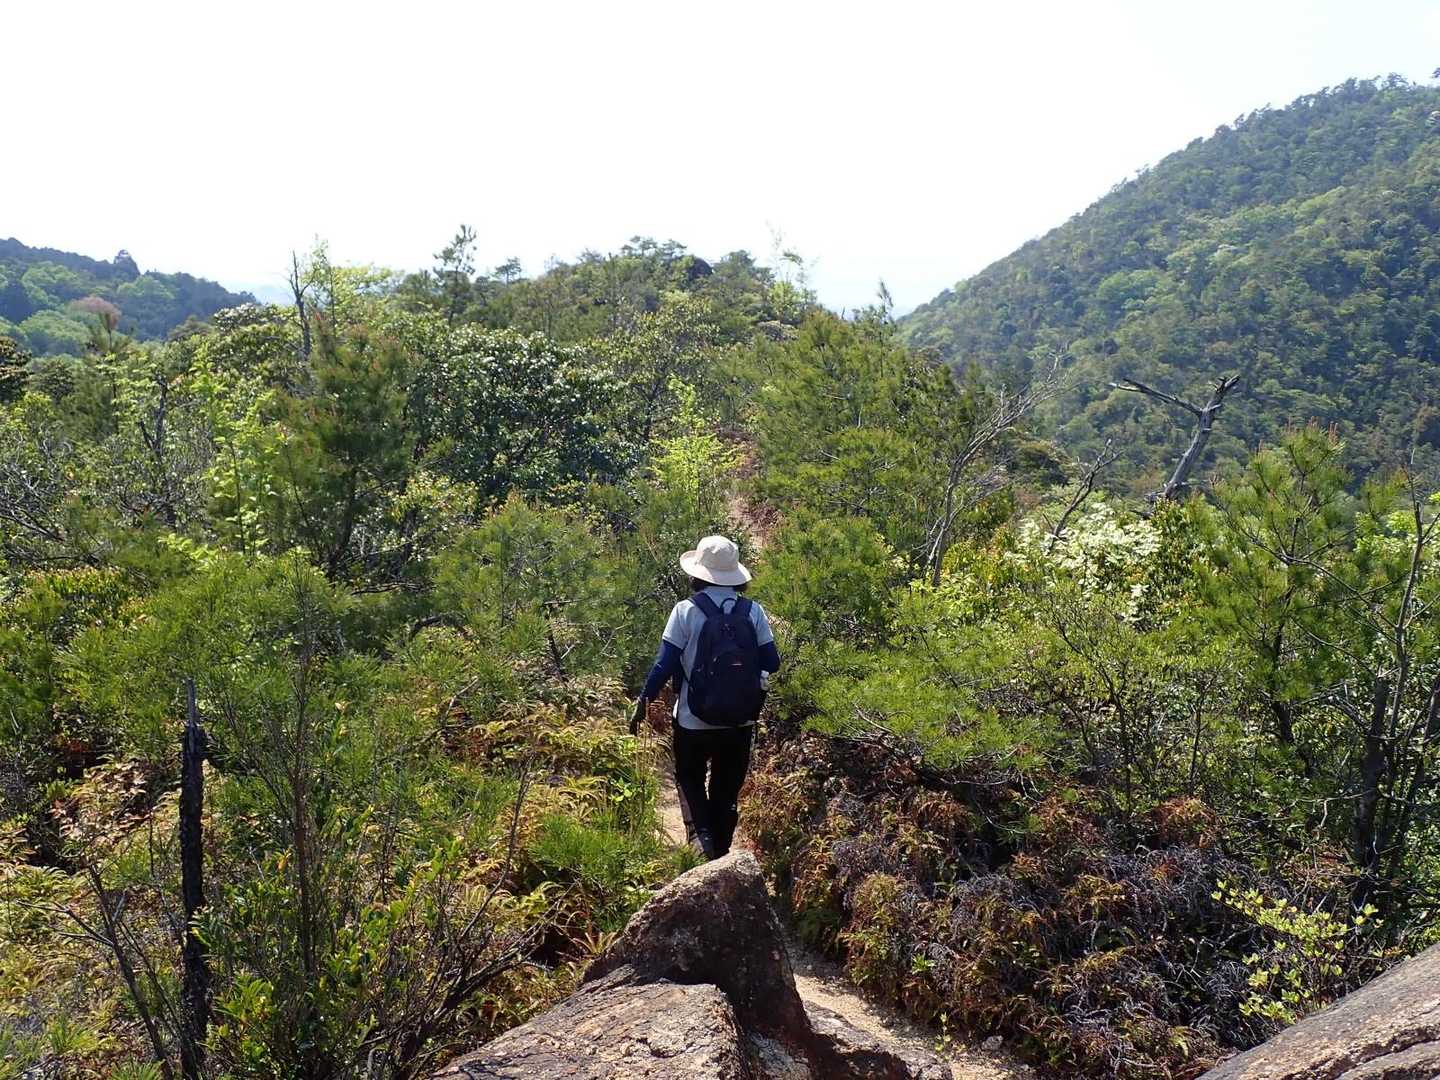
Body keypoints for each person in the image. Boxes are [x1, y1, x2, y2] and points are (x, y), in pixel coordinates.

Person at [633, 535, 780, 859]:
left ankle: (701, 843)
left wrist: (643, 702)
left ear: (698, 573)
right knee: (726, 790)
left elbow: (663, 664)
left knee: (689, 778)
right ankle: (722, 854)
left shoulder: (685, 611)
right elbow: (772, 662)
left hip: (692, 718)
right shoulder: (753, 611)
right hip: (740, 720)